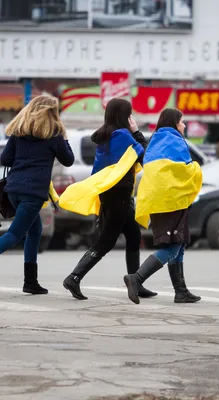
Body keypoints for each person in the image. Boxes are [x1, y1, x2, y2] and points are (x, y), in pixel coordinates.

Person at [0, 94, 75, 294]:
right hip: (32, 194)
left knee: (35, 231)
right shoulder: (54, 135)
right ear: (51, 113)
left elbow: (4, 159)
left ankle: (30, 281)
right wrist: (64, 137)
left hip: (14, 191)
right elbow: (68, 160)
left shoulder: (19, 133)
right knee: (15, 233)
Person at [59, 98, 157, 301]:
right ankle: (74, 277)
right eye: (130, 114)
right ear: (124, 116)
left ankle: (136, 281)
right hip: (118, 195)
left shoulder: (105, 135)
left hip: (114, 194)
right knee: (106, 241)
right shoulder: (121, 135)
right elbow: (146, 155)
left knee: (133, 235)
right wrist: (137, 132)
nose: (132, 118)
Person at [124, 108, 202, 304]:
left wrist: (135, 133)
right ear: (175, 123)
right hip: (171, 201)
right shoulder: (173, 140)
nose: (184, 125)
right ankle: (137, 278)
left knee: (179, 243)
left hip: (159, 200)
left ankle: (181, 291)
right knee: (173, 246)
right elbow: (181, 170)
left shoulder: (157, 140)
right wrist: (196, 169)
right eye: (182, 121)